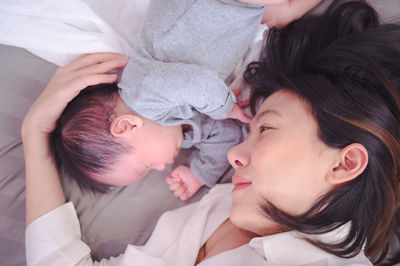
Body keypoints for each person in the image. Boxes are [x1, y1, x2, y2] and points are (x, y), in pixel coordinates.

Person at [23, 1, 400, 265]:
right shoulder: (229, 203)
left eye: (264, 128)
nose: (235, 153)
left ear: (345, 162)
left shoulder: (226, 199)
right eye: (254, 129)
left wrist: (37, 132)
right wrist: (34, 133)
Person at [51, 0, 322, 200]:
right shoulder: (177, 125)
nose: (163, 166)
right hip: (244, 12)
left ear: (126, 126)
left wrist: (226, 108)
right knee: (286, 12)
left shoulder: (142, 91)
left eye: (147, 165)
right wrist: (199, 174)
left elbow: (197, 85)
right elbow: (223, 135)